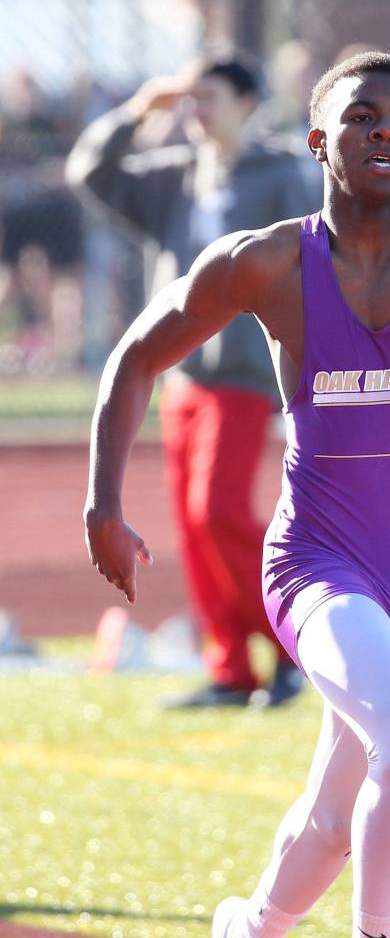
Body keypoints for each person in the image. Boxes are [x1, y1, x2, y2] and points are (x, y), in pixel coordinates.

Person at [84, 51, 390, 938]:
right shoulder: (267, 263)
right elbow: (136, 357)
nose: (383, 129)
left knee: (334, 818)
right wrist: (103, 501)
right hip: (318, 570)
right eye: (361, 117)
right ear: (318, 141)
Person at [68, 52, 320, 708]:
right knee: (193, 524)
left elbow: (309, 261)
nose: (194, 109)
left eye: (207, 96)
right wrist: (136, 112)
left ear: (247, 102)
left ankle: (299, 643)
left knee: (220, 512)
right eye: (190, 98)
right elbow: (89, 172)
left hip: (242, 373)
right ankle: (231, 671)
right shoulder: (180, 174)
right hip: (179, 374)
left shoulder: (279, 175)